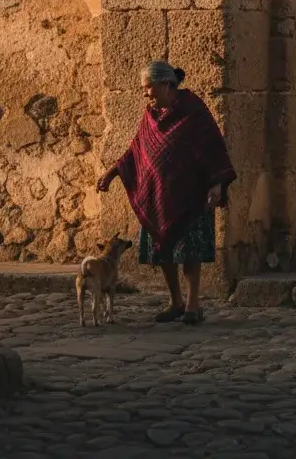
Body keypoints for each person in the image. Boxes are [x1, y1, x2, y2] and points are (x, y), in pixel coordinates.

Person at [97, 61, 236, 325]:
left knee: (191, 251)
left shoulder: (193, 110)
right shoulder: (150, 116)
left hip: (192, 195)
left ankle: (193, 305)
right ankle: (175, 301)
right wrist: (111, 173)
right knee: (164, 249)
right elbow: (135, 151)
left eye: (148, 87)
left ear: (165, 84)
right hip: (157, 197)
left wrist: (217, 184)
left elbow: (213, 148)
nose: (145, 93)